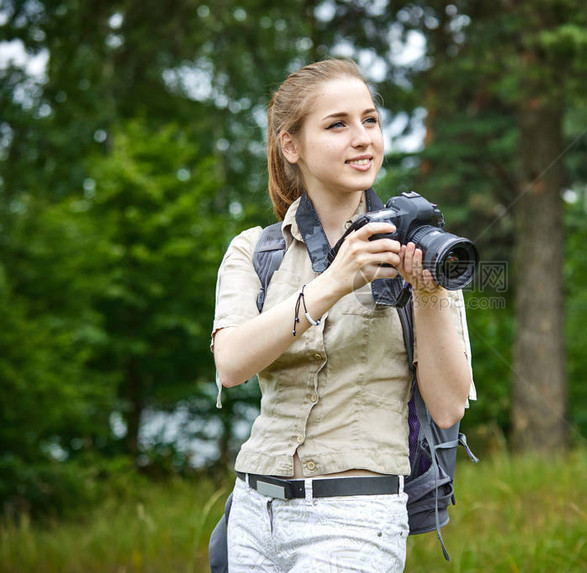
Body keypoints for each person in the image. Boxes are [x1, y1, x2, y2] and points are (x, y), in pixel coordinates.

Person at [211, 57, 475, 572]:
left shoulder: (425, 246)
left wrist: (427, 294)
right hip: (252, 513)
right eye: (337, 124)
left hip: (355, 517)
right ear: (291, 145)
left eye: (370, 120)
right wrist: (334, 281)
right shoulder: (255, 250)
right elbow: (231, 364)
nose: (363, 138)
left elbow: (447, 409)